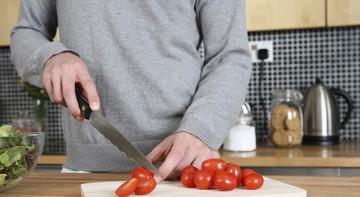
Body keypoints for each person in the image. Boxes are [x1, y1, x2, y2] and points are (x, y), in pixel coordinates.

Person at [10, 0, 252, 180]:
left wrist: (200, 131)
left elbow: (229, 56)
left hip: (184, 169)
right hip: (83, 173)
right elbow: (27, 32)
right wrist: (50, 57)